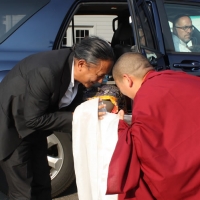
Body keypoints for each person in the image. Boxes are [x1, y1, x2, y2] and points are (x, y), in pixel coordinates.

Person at [0, 36, 115, 200]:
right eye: (99, 75)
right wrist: (77, 117)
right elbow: (33, 119)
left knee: (43, 185)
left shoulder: (73, 71)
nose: (100, 80)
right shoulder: (46, 72)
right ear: (81, 64)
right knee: (24, 193)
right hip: (12, 131)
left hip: (35, 132)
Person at [106, 52, 200, 199]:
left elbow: (145, 148)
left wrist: (121, 128)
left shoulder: (145, 95)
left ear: (127, 80)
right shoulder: (182, 77)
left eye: (120, 87)